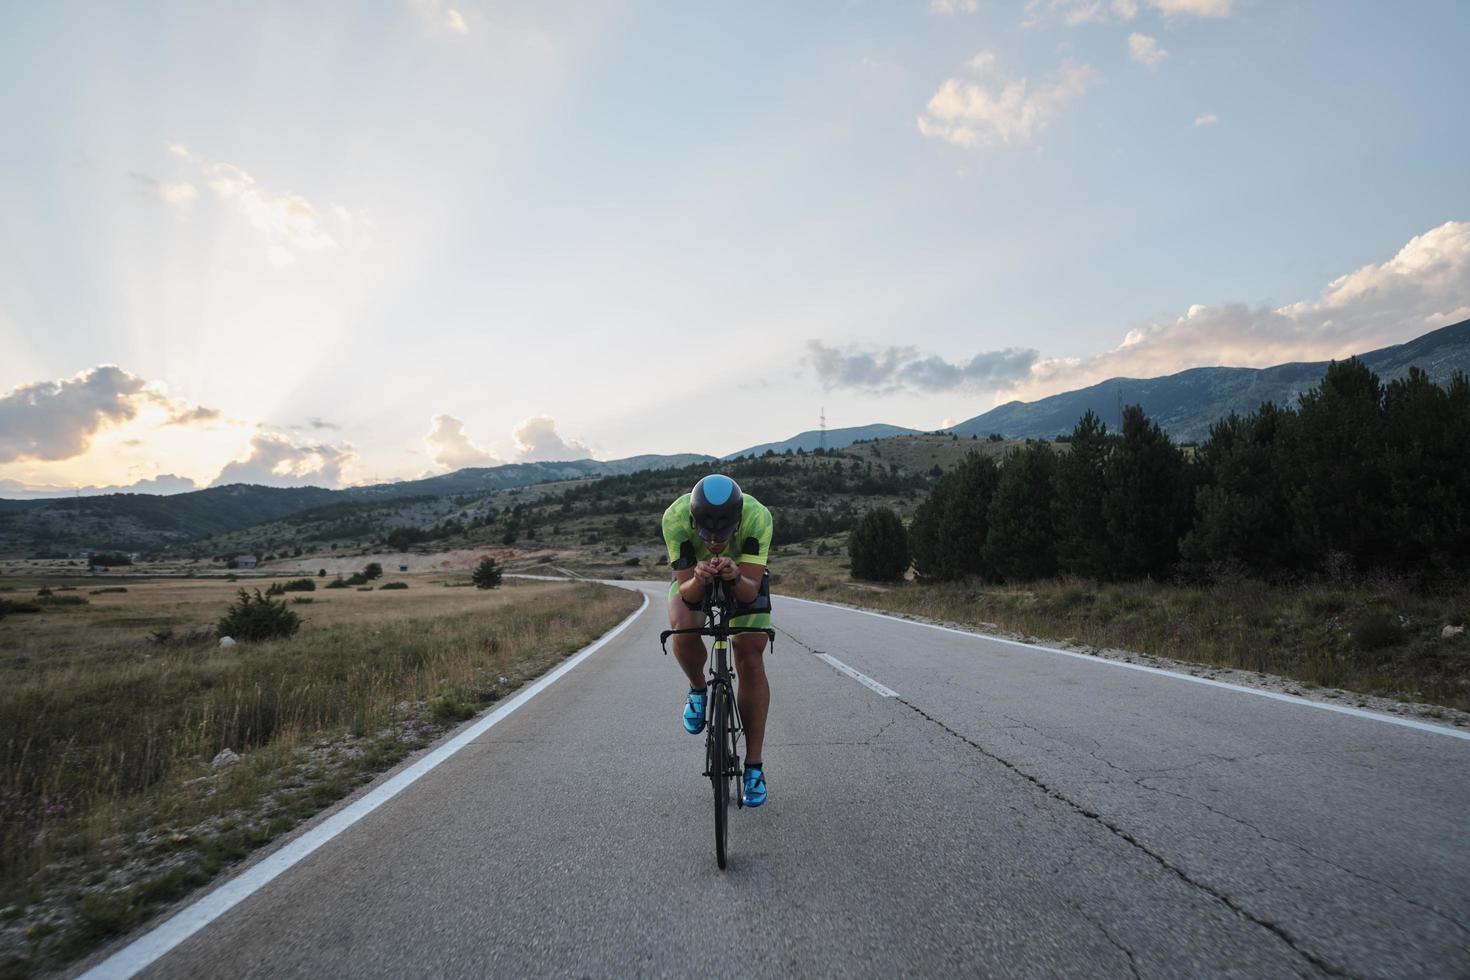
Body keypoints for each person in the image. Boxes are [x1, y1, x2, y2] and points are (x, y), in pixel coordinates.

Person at [662, 474, 773, 807]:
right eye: (706, 534)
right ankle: (698, 689)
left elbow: (751, 589)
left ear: (737, 522)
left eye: (723, 534)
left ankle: (754, 768)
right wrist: (698, 578)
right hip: (695, 579)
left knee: (750, 653)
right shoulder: (675, 518)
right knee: (683, 628)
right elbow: (685, 592)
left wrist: (735, 574)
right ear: (693, 520)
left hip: (743, 577)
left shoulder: (757, 517)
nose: (713, 542)